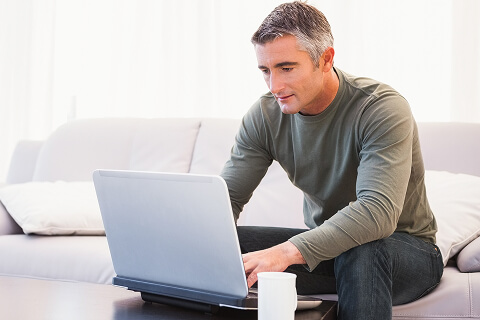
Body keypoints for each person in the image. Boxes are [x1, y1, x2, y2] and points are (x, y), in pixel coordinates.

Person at [219, 1, 444, 319]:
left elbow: (376, 214)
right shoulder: (265, 115)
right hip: (332, 251)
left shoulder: (380, 109)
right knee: (221, 247)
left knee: (363, 246)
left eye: (287, 68)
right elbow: (225, 197)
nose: (275, 86)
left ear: (325, 60)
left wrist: (286, 252)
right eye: (265, 71)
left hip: (406, 252)